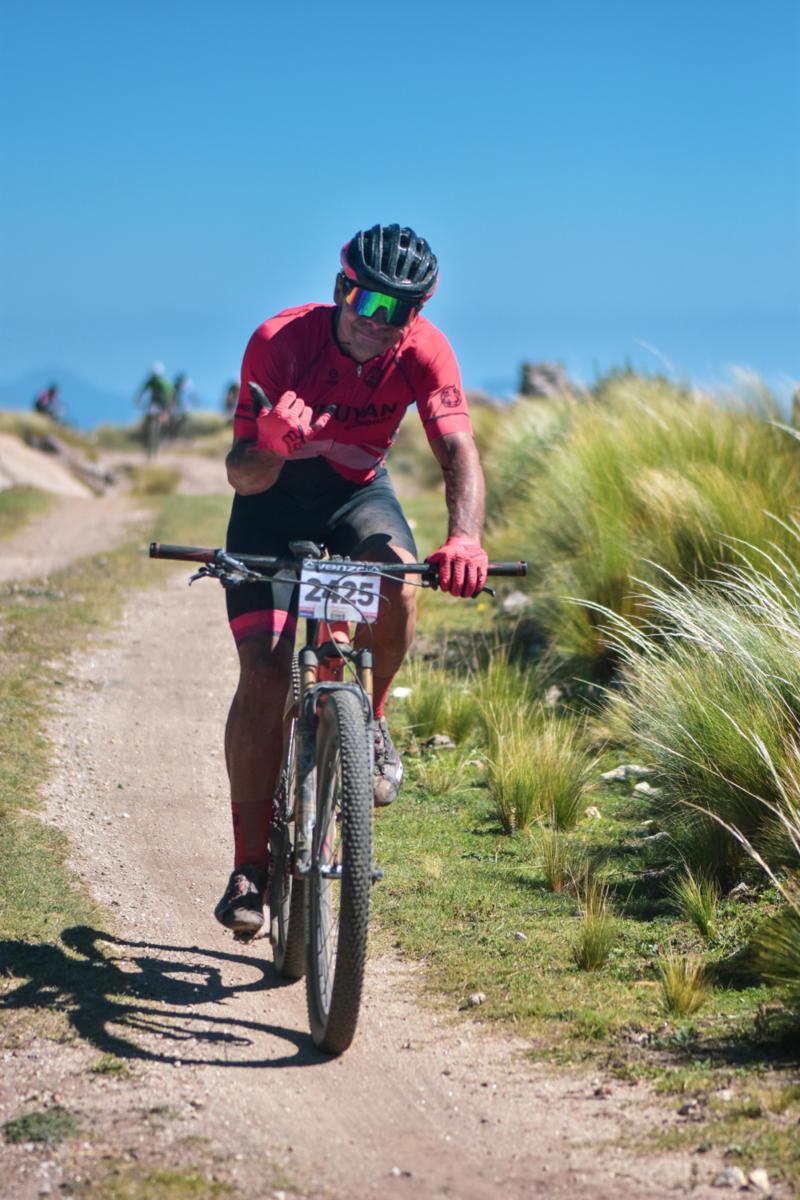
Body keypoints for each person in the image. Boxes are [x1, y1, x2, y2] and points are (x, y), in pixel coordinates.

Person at [216, 223, 489, 936]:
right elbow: (241, 475)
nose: (378, 321)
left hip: (355, 496)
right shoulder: (279, 342)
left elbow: (457, 450)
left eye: (400, 310)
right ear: (342, 288)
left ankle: (370, 721)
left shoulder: (424, 351)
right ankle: (249, 868)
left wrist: (464, 536)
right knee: (265, 675)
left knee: (398, 581)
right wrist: (272, 446)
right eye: (367, 301)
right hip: (268, 506)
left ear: (418, 313)